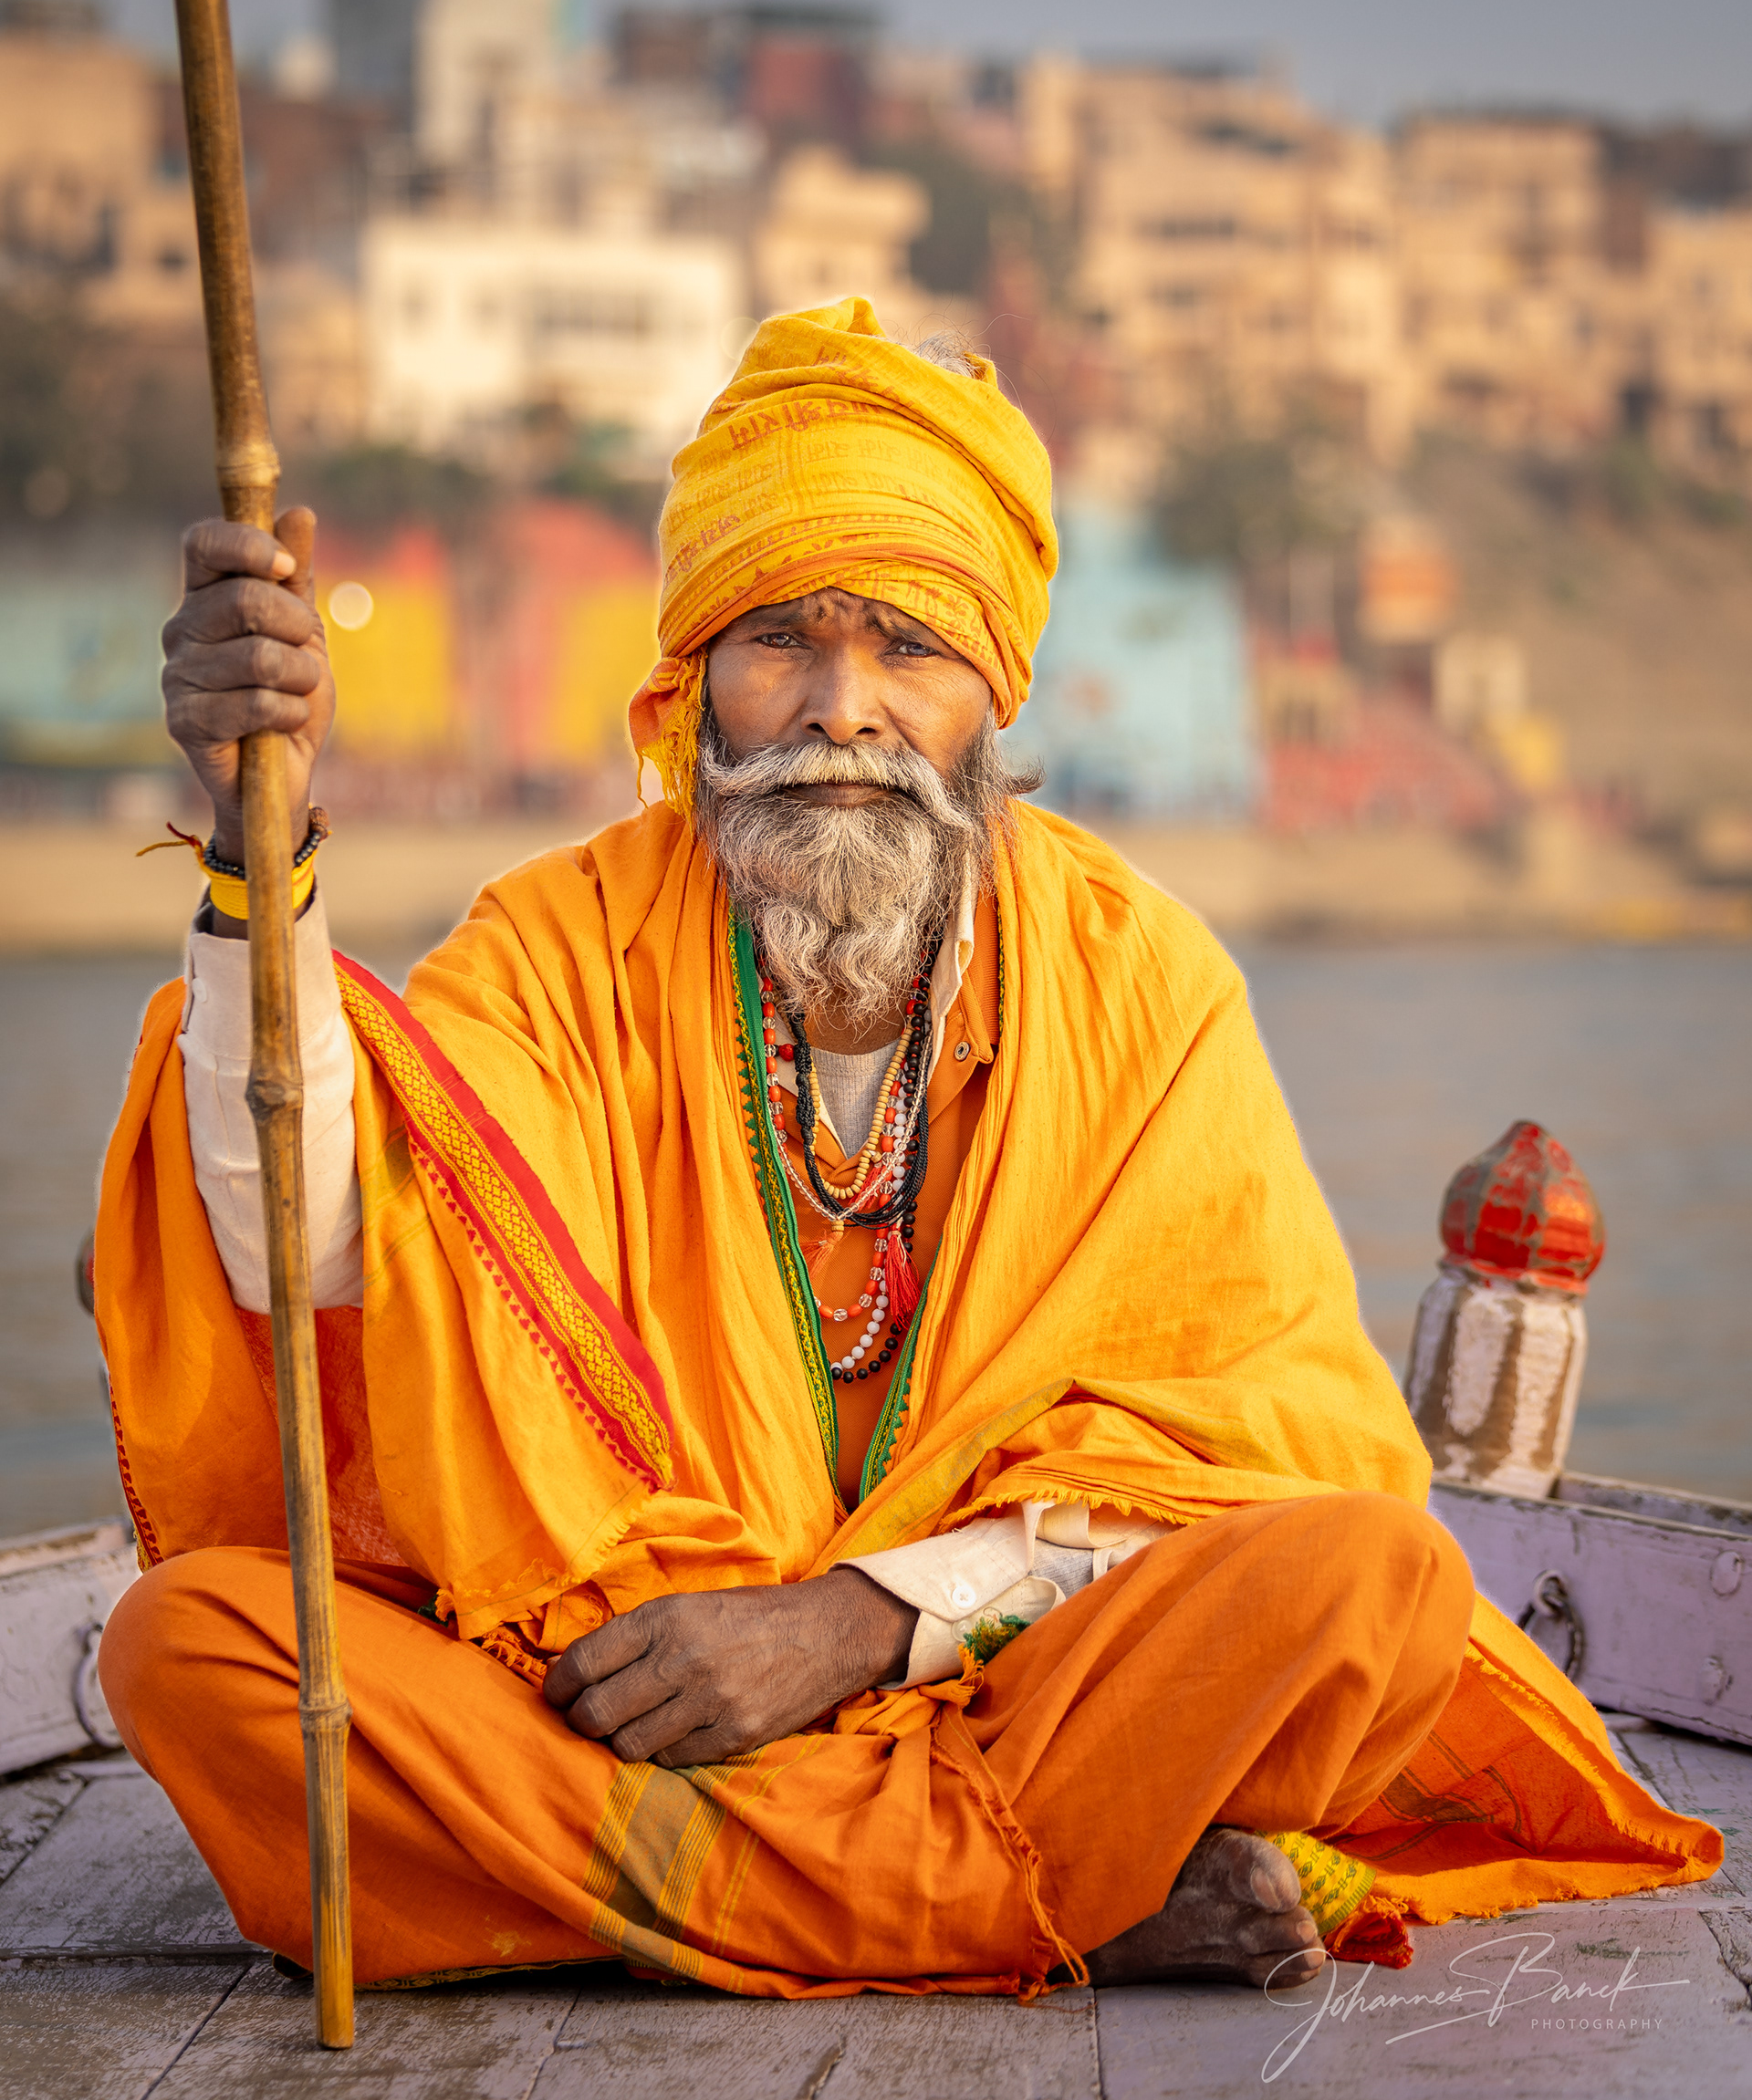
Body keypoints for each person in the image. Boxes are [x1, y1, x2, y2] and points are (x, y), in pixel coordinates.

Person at [96, 301, 1716, 1998]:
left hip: (1018, 1696)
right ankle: (1047, 1896)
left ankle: (712, 1902)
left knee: (1369, 1579)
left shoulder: (1135, 976)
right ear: (697, 678)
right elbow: (325, 1241)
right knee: (196, 1646)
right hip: (627, 1696)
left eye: (909, 650)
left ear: (990, 698)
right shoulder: (560, 939)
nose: (842, 711)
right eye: (782, 639)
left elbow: (1257, 1467)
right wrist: (254, 842)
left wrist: (857, 1623)